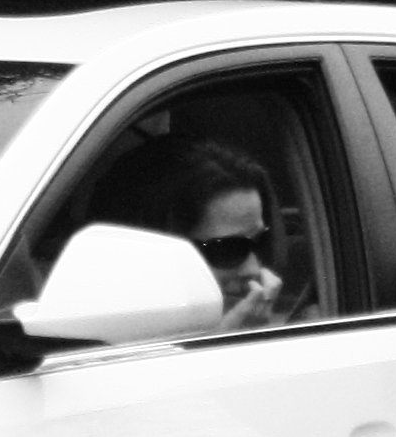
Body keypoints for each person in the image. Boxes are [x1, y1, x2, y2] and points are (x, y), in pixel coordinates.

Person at [82, 132, 303, 331]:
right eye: (229, 249)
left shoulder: (295, 319)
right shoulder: (84, 328)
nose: (253, 268)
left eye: (261, 241)